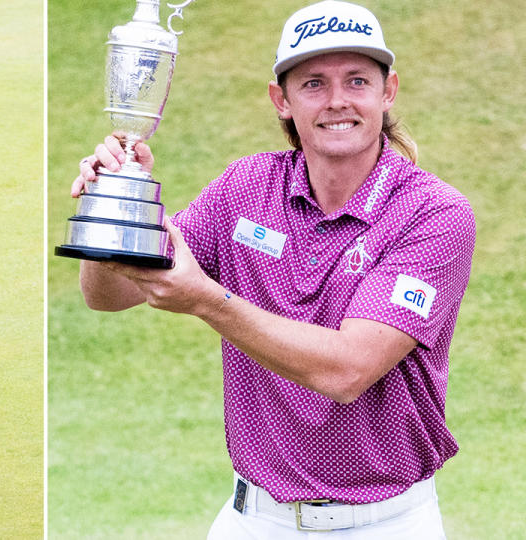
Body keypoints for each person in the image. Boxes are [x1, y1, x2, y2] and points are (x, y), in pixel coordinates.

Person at [69, 1, 474, 537]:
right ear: (281, 100)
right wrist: (119, 213)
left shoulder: (434, 213)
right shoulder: (247, 186)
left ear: (388, 91)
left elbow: (346, 372)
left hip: (387, 523)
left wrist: (208, 301)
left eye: (356, 80)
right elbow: (109, 295)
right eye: (313, 84)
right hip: (254, 518)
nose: (337, 101)